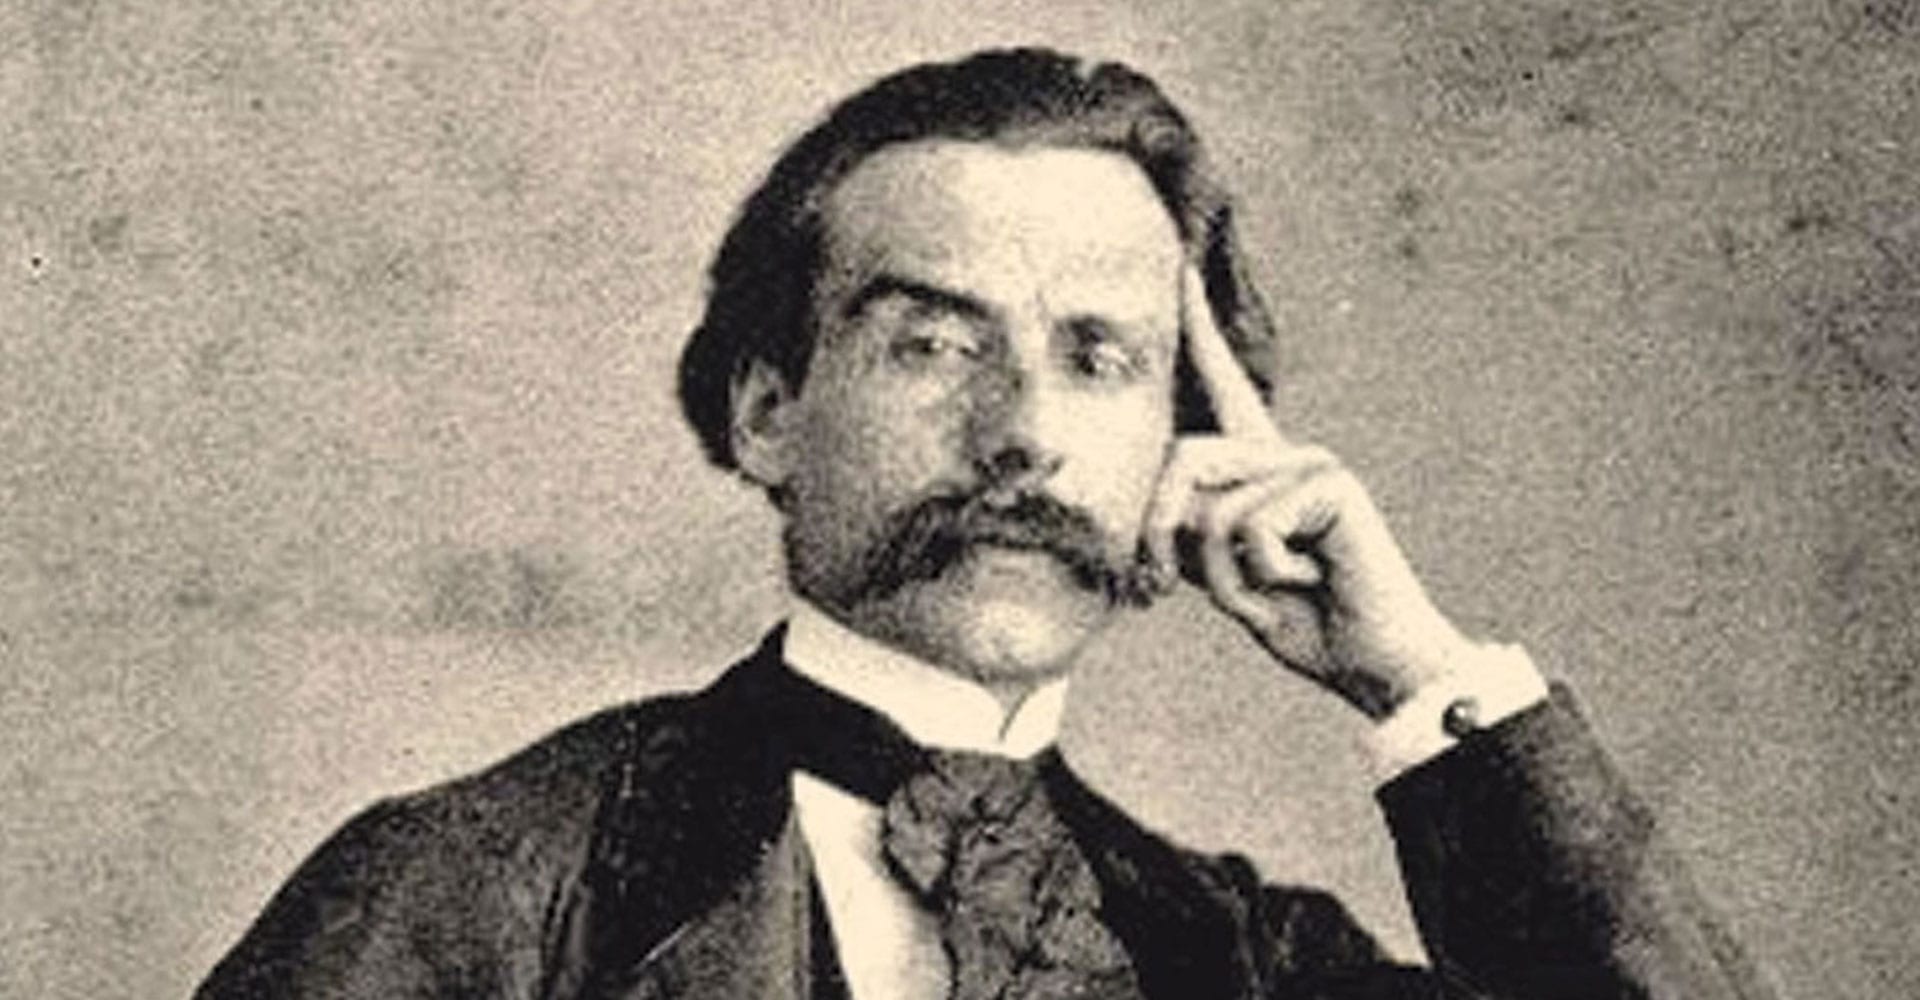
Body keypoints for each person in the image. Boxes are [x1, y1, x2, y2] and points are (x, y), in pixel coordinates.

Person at [197, 48, 1772, 999]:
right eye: (934, 345)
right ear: (768, 411)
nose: (1021, 432)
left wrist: (1415, 676)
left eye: (1100, 359)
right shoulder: (476, 890)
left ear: (1183, 445)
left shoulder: (1244, 958)